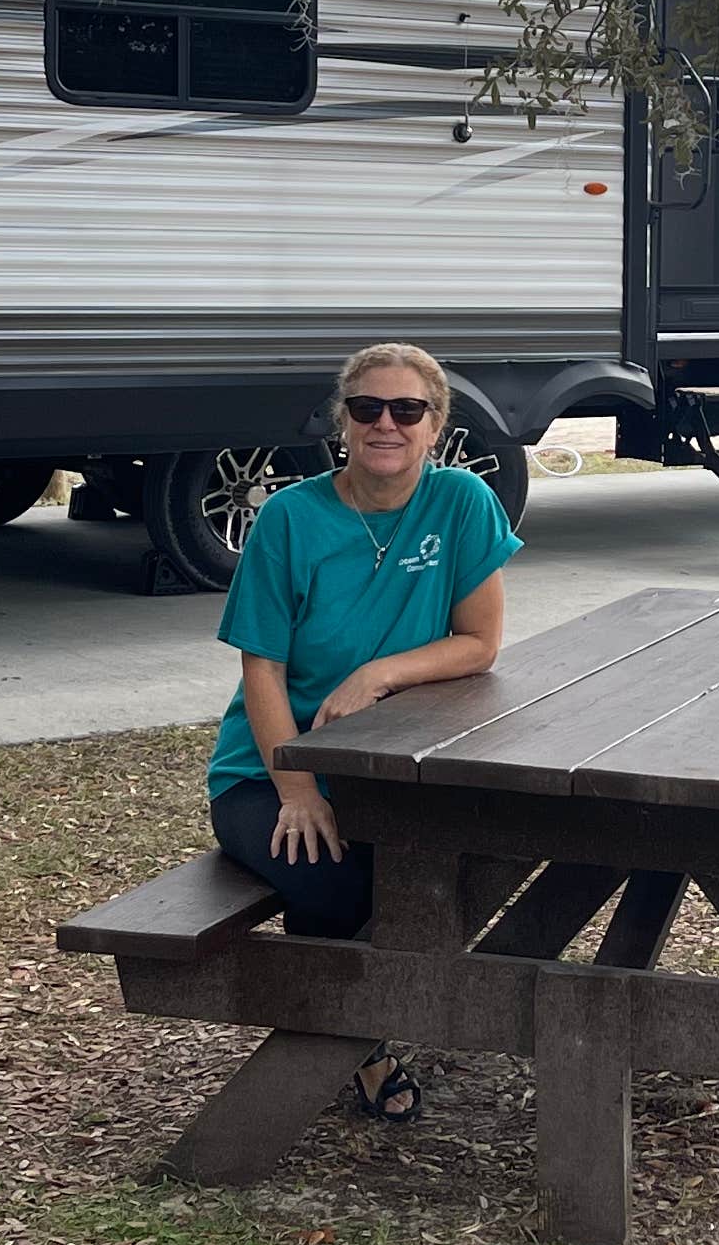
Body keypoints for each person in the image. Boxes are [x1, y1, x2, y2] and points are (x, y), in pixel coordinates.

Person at [207, 342, 519, 1120]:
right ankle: (349, 1048)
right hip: (266, 771)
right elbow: (262, 671)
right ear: (341, 422)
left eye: (407, 410)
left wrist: (379, 674)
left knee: (476, 854)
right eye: (367, 408)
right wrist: (298, 787)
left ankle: (360, 1022)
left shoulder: (461, 503)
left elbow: (479, 644)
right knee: (336, 872)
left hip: (393, 764)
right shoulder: (288, 518)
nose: (386, 424)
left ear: (436, 425)